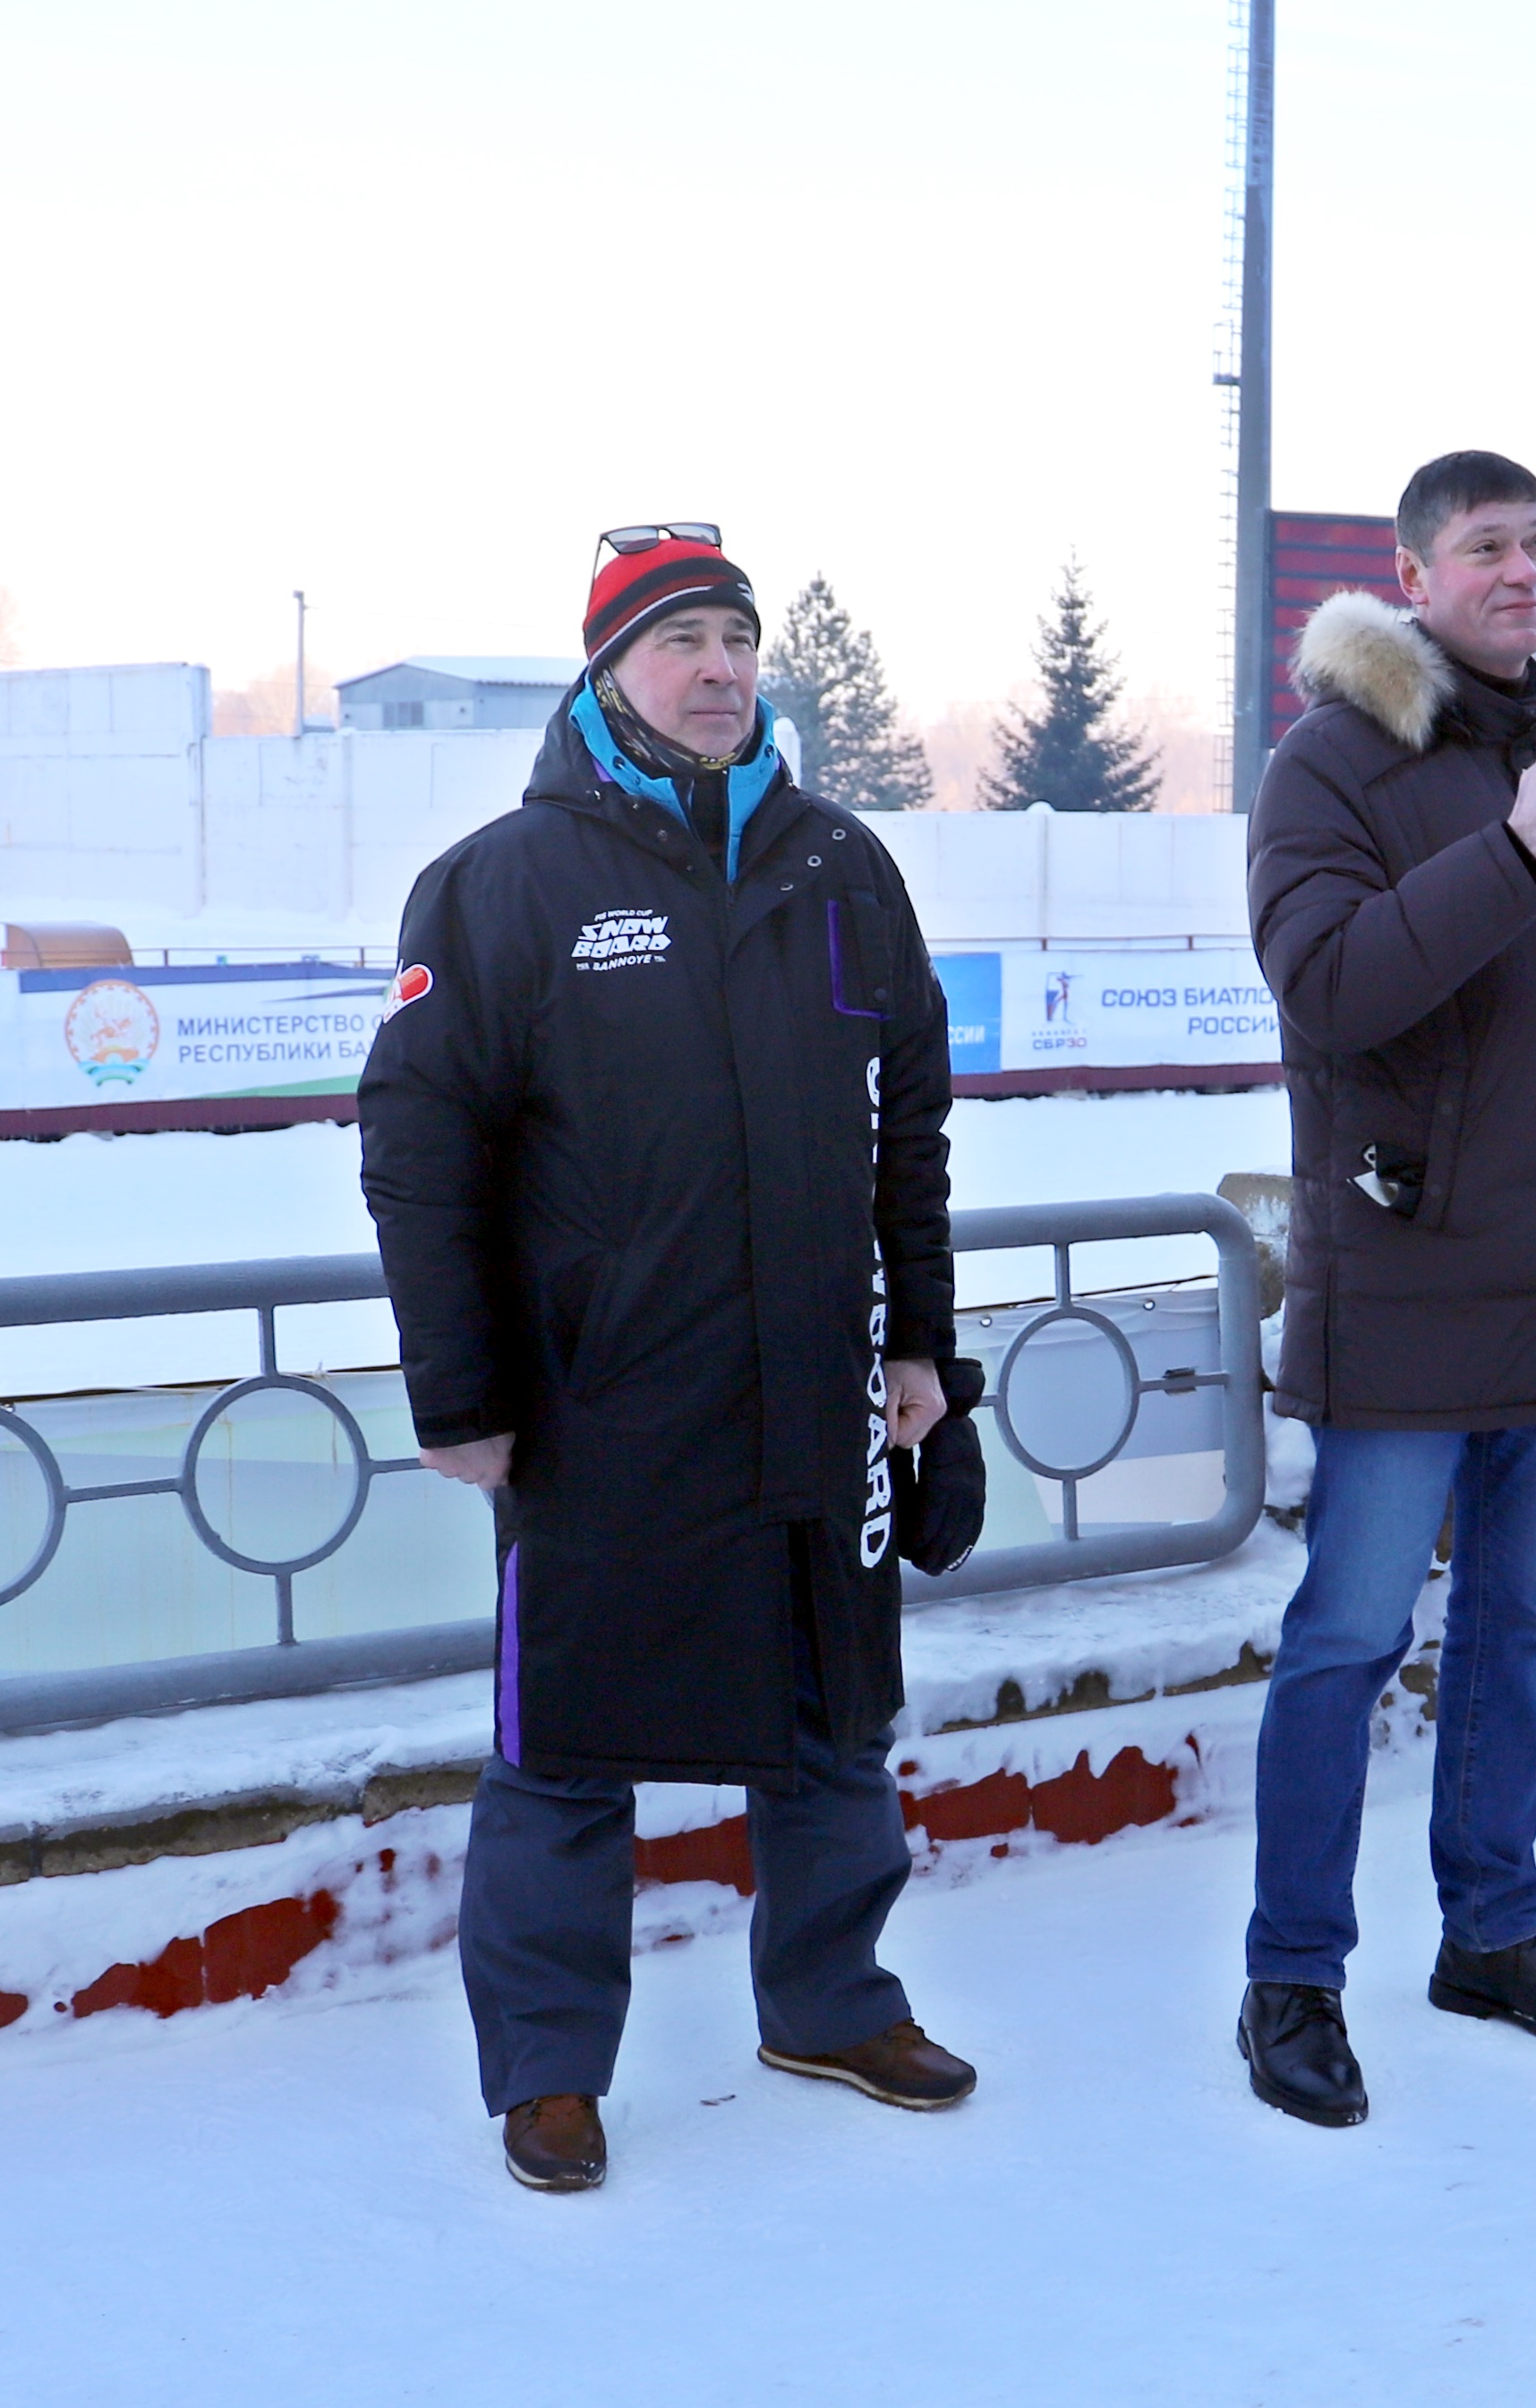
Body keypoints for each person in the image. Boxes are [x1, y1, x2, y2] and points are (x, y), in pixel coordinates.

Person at [360, 526, 973, 2194]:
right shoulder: (504, 880)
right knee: (566, 1740)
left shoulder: (842, 864)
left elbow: (908, 1119)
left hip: (819, 1381)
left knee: (836, 1714)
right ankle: (550, 2064)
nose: (719, 668)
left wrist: (921, 1337)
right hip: (602, 1403)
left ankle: (833, 2002)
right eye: (679, 639)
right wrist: (460, 1396)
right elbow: (421, 1154)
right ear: (608, 671)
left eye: (737, 637)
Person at [1236, 450, 1536, 2129]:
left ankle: (1494, 1932)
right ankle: (1293, 1973)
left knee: (1521, 1630)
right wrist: (1514, 850)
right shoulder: (1332, 759)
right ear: (1414, 575)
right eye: (1487, 546)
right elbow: (1328, 984)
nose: (1525, 571)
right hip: (1413, 1282)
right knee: (1349, 1638)